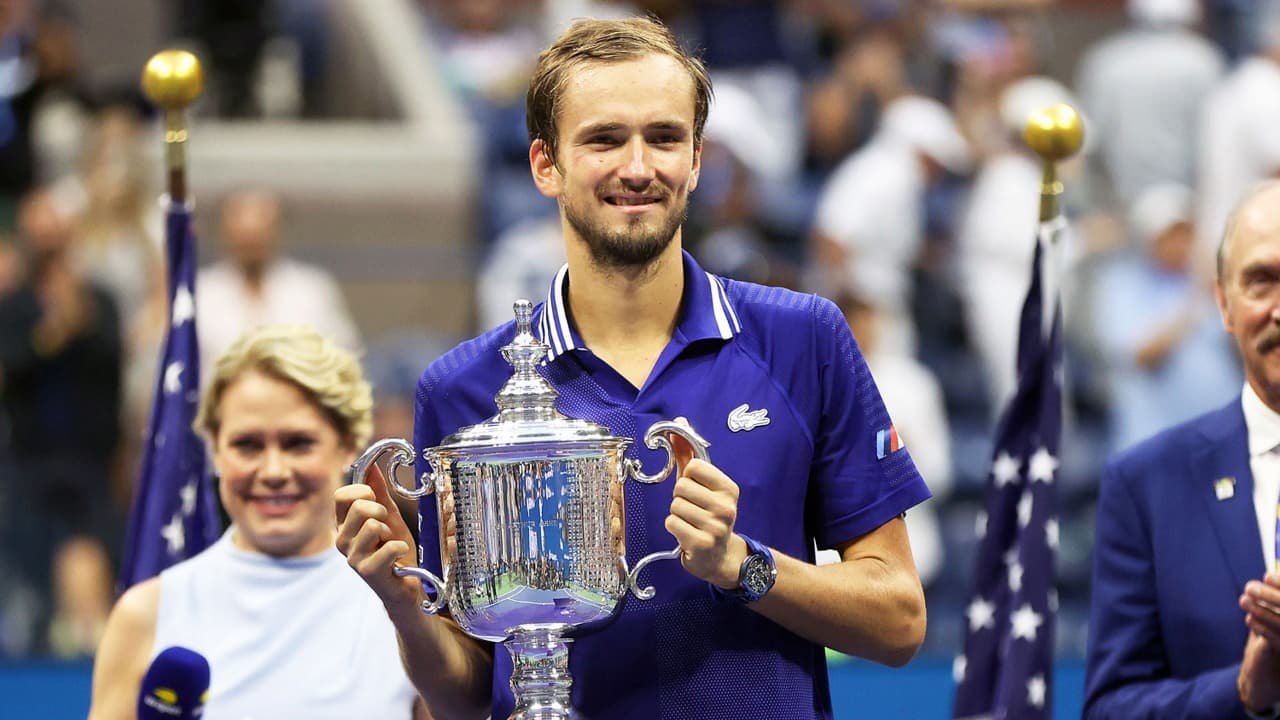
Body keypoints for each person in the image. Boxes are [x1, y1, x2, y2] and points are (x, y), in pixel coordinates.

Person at [336, 16, 930, 720]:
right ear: (544, 164)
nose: (639, 167)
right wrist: (407, 610)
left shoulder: (804, 339)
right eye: (604, 139)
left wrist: (743, 564)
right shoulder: (462, 389)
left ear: (698, 159)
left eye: (664, 137)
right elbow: (469, 699)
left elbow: (898, 622)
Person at [88, 325, 427, 719]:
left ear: (349, 444)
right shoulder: (145, 613)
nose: (273, 470)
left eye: (298, 443)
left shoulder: (405, 599)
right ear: (215, 449)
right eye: (247, 445)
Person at [1085, 179, 1280, 718]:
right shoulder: (1147, 484)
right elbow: (1109, 708)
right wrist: (1240, 692)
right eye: (1262, 281)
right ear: (1223, 302)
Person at [195, 189, 361, 380]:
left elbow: (346, 358)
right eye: (244, 236)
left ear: (276, 229)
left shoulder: (312, 289)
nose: (251, 243)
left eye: (259, 234)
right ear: (225, 231)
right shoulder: (199, 292)